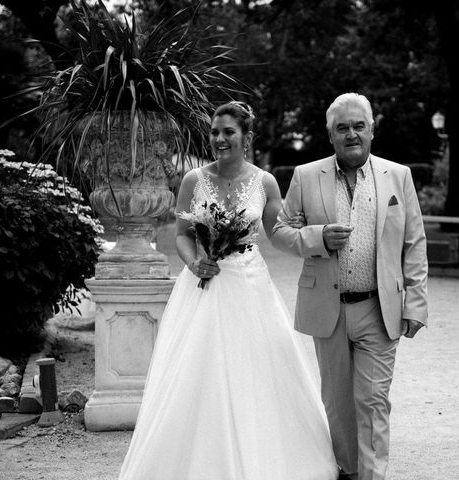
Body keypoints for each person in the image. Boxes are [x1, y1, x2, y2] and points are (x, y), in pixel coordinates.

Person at [118, 101, 339, 480]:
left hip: (251, 287)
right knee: (197, 372)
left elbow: (279, 234)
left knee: (257, 370)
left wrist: (318, 238)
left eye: (228, 132)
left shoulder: (265, 182)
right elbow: (183, 235)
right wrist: (193, 262)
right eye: (215, 132)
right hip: (204, 285)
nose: (220, 139)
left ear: (247, 138)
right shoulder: (193, 180)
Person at [271, 92, 428, 480]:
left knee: (373, 401)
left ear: (372, 130)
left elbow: (414, 241)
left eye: (359, 126)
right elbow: (278, 231)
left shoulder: (399, 176)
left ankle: (372, 476)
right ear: (330, 135)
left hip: (379, 308)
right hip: (329, 308)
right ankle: (349, 469)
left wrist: (416, 304)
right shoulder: (307, 176)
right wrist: (317, 238)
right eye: (343, 128)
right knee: (338, 403)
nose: (352, 134)